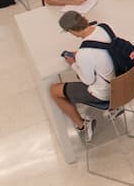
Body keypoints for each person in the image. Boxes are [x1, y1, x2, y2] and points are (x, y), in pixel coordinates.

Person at [49, 12, 115, 143]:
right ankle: (115, 108)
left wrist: (74, 64)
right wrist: (80, 56)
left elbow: (87, 80)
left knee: (54, 91)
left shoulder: (84, 54)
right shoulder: (104, 28)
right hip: (121, 84)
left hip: (104, 93)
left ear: (72, 31)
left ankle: (82, 125)